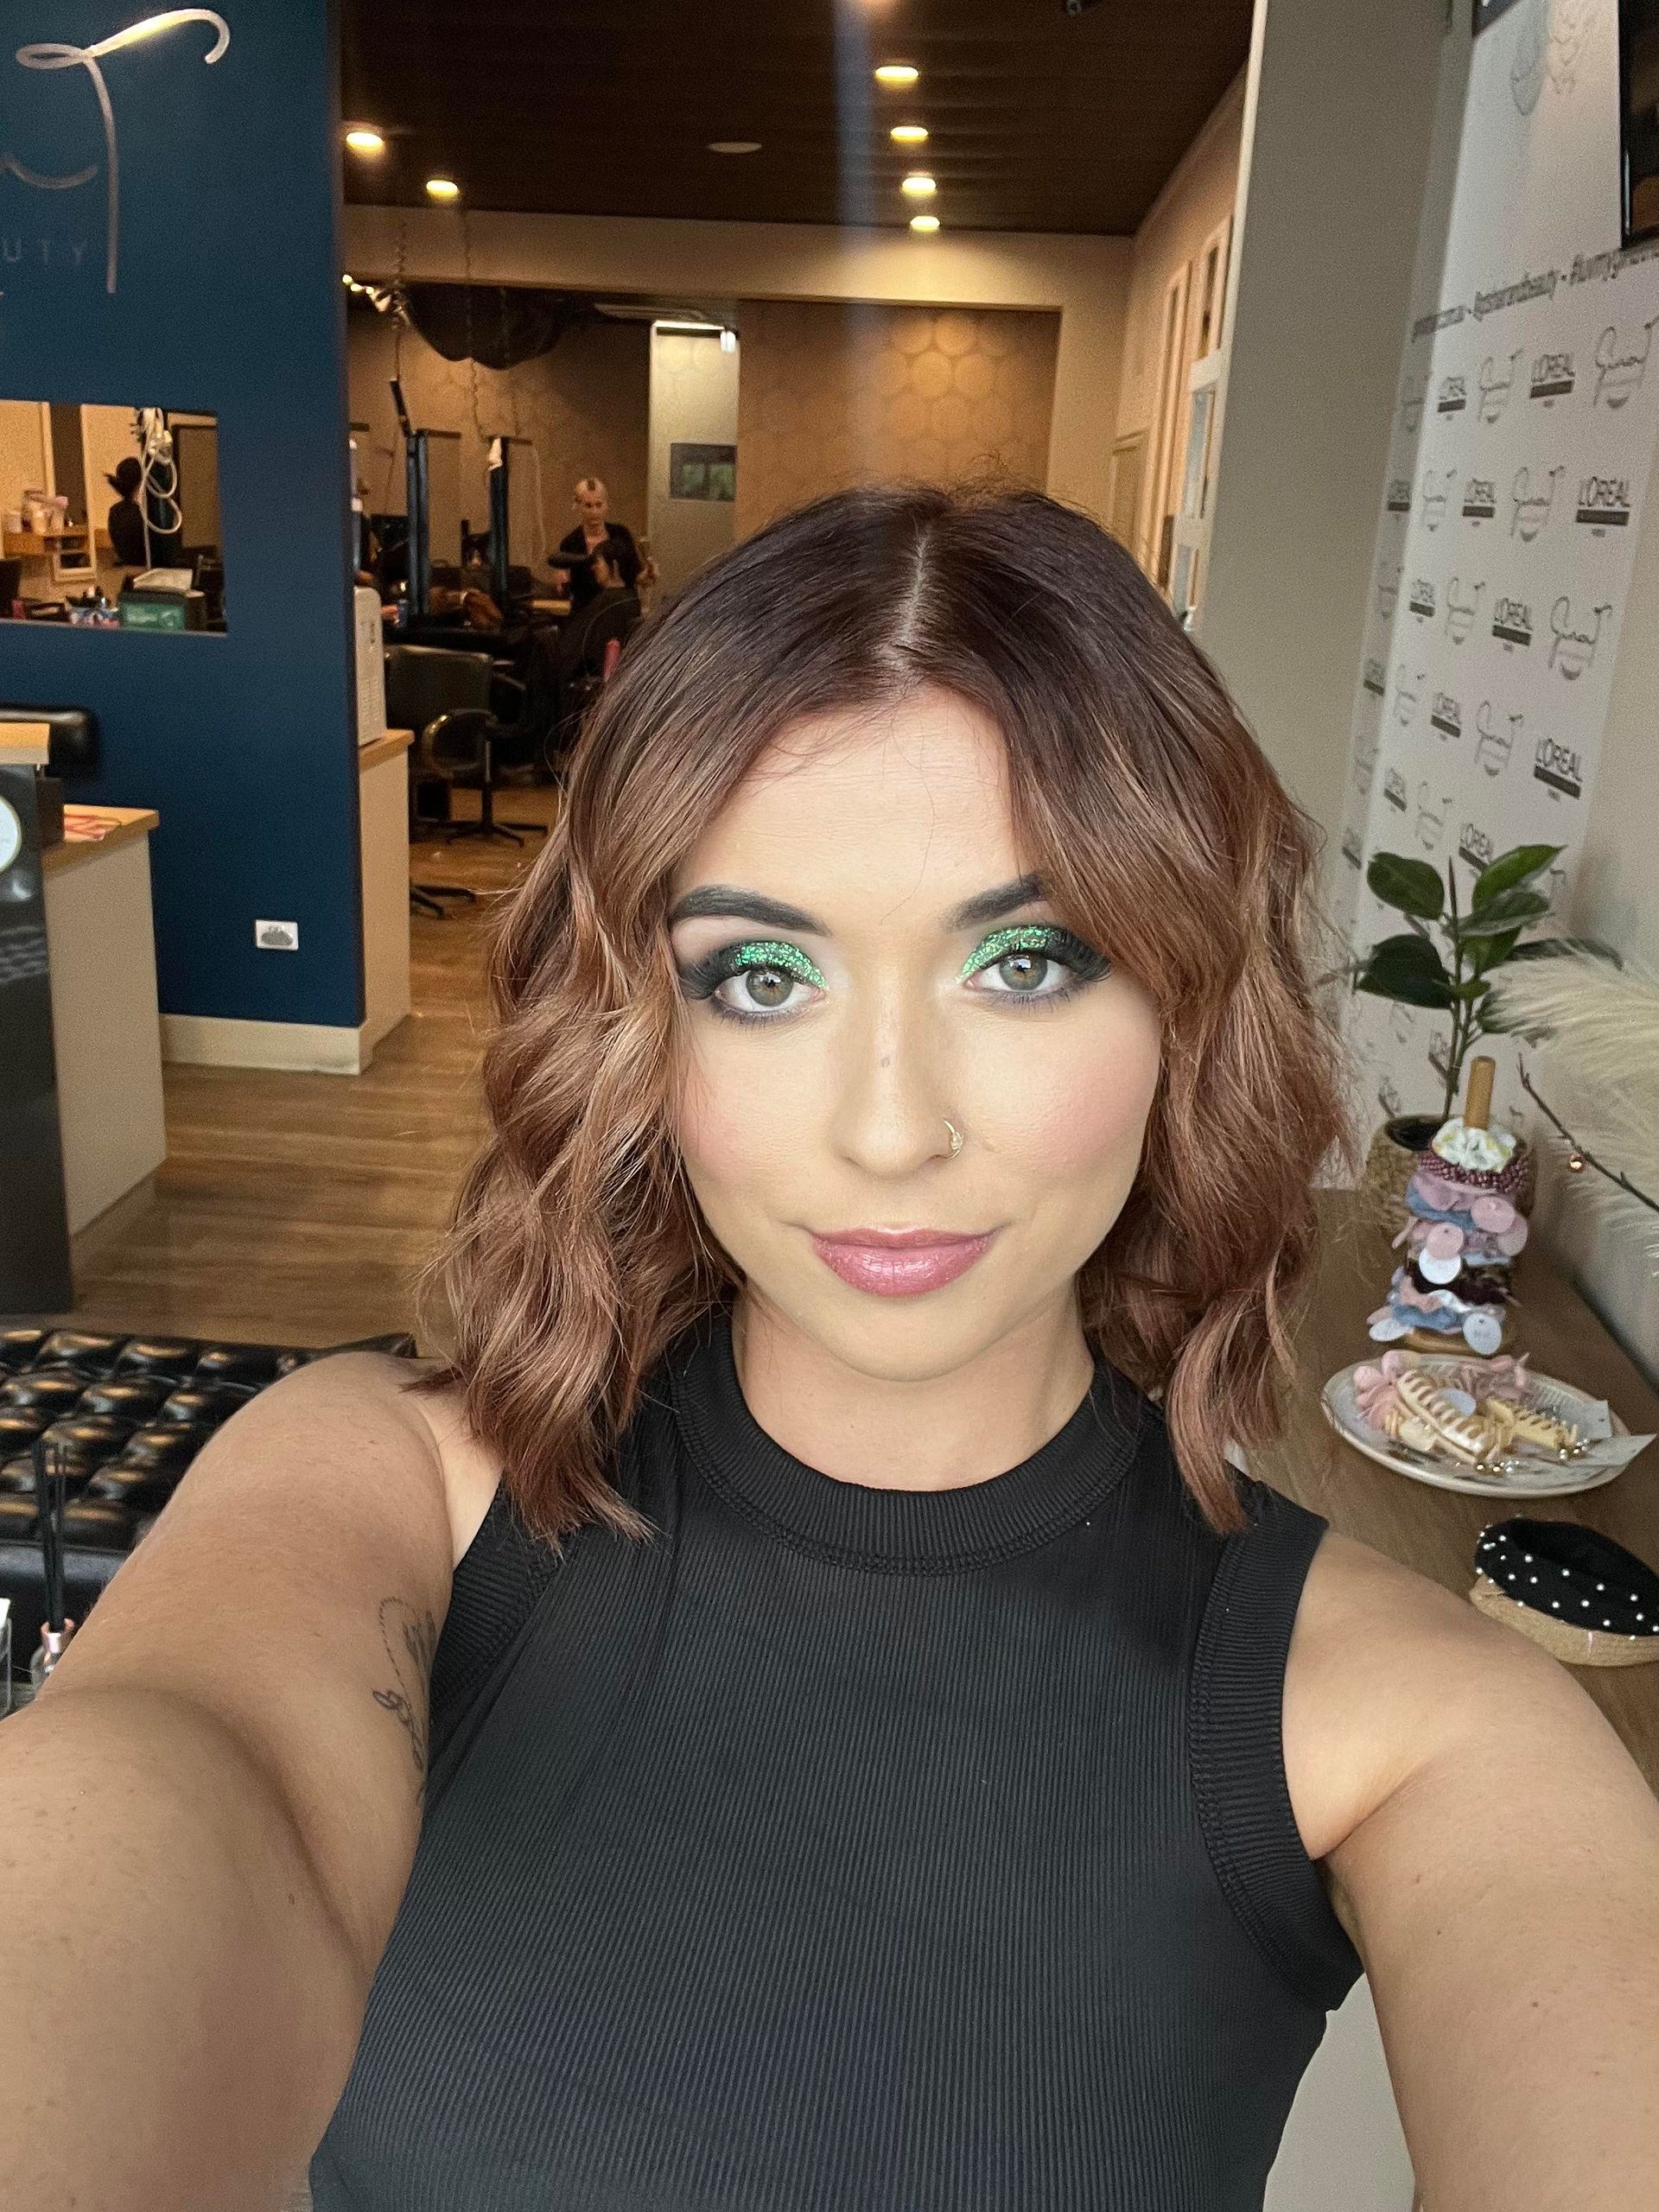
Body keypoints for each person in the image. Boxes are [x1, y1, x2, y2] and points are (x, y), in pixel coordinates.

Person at [3, 487, 1657, 2210]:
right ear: (640, 1013)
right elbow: (166, 1804)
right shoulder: (380, 1487)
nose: (886, 1131)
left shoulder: (1424, 1726)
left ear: (1186, 1005)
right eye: (763, 973)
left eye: (1025, 961)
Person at [551, 474, 646, 608]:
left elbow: (636, 575)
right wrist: (561, 583)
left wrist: (648, 574)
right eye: (588, 506)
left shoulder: (621, 534)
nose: (594, 511)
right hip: (588, 612)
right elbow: (566, 589)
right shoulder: (571, 543)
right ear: (579, 507)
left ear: (606, 505)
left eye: (599, 505)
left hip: (621, 608)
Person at [105, 454, 148, 567]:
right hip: (145, 571)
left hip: (125, 574)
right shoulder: (143, 514)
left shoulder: (114, 512)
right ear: (141, 482)